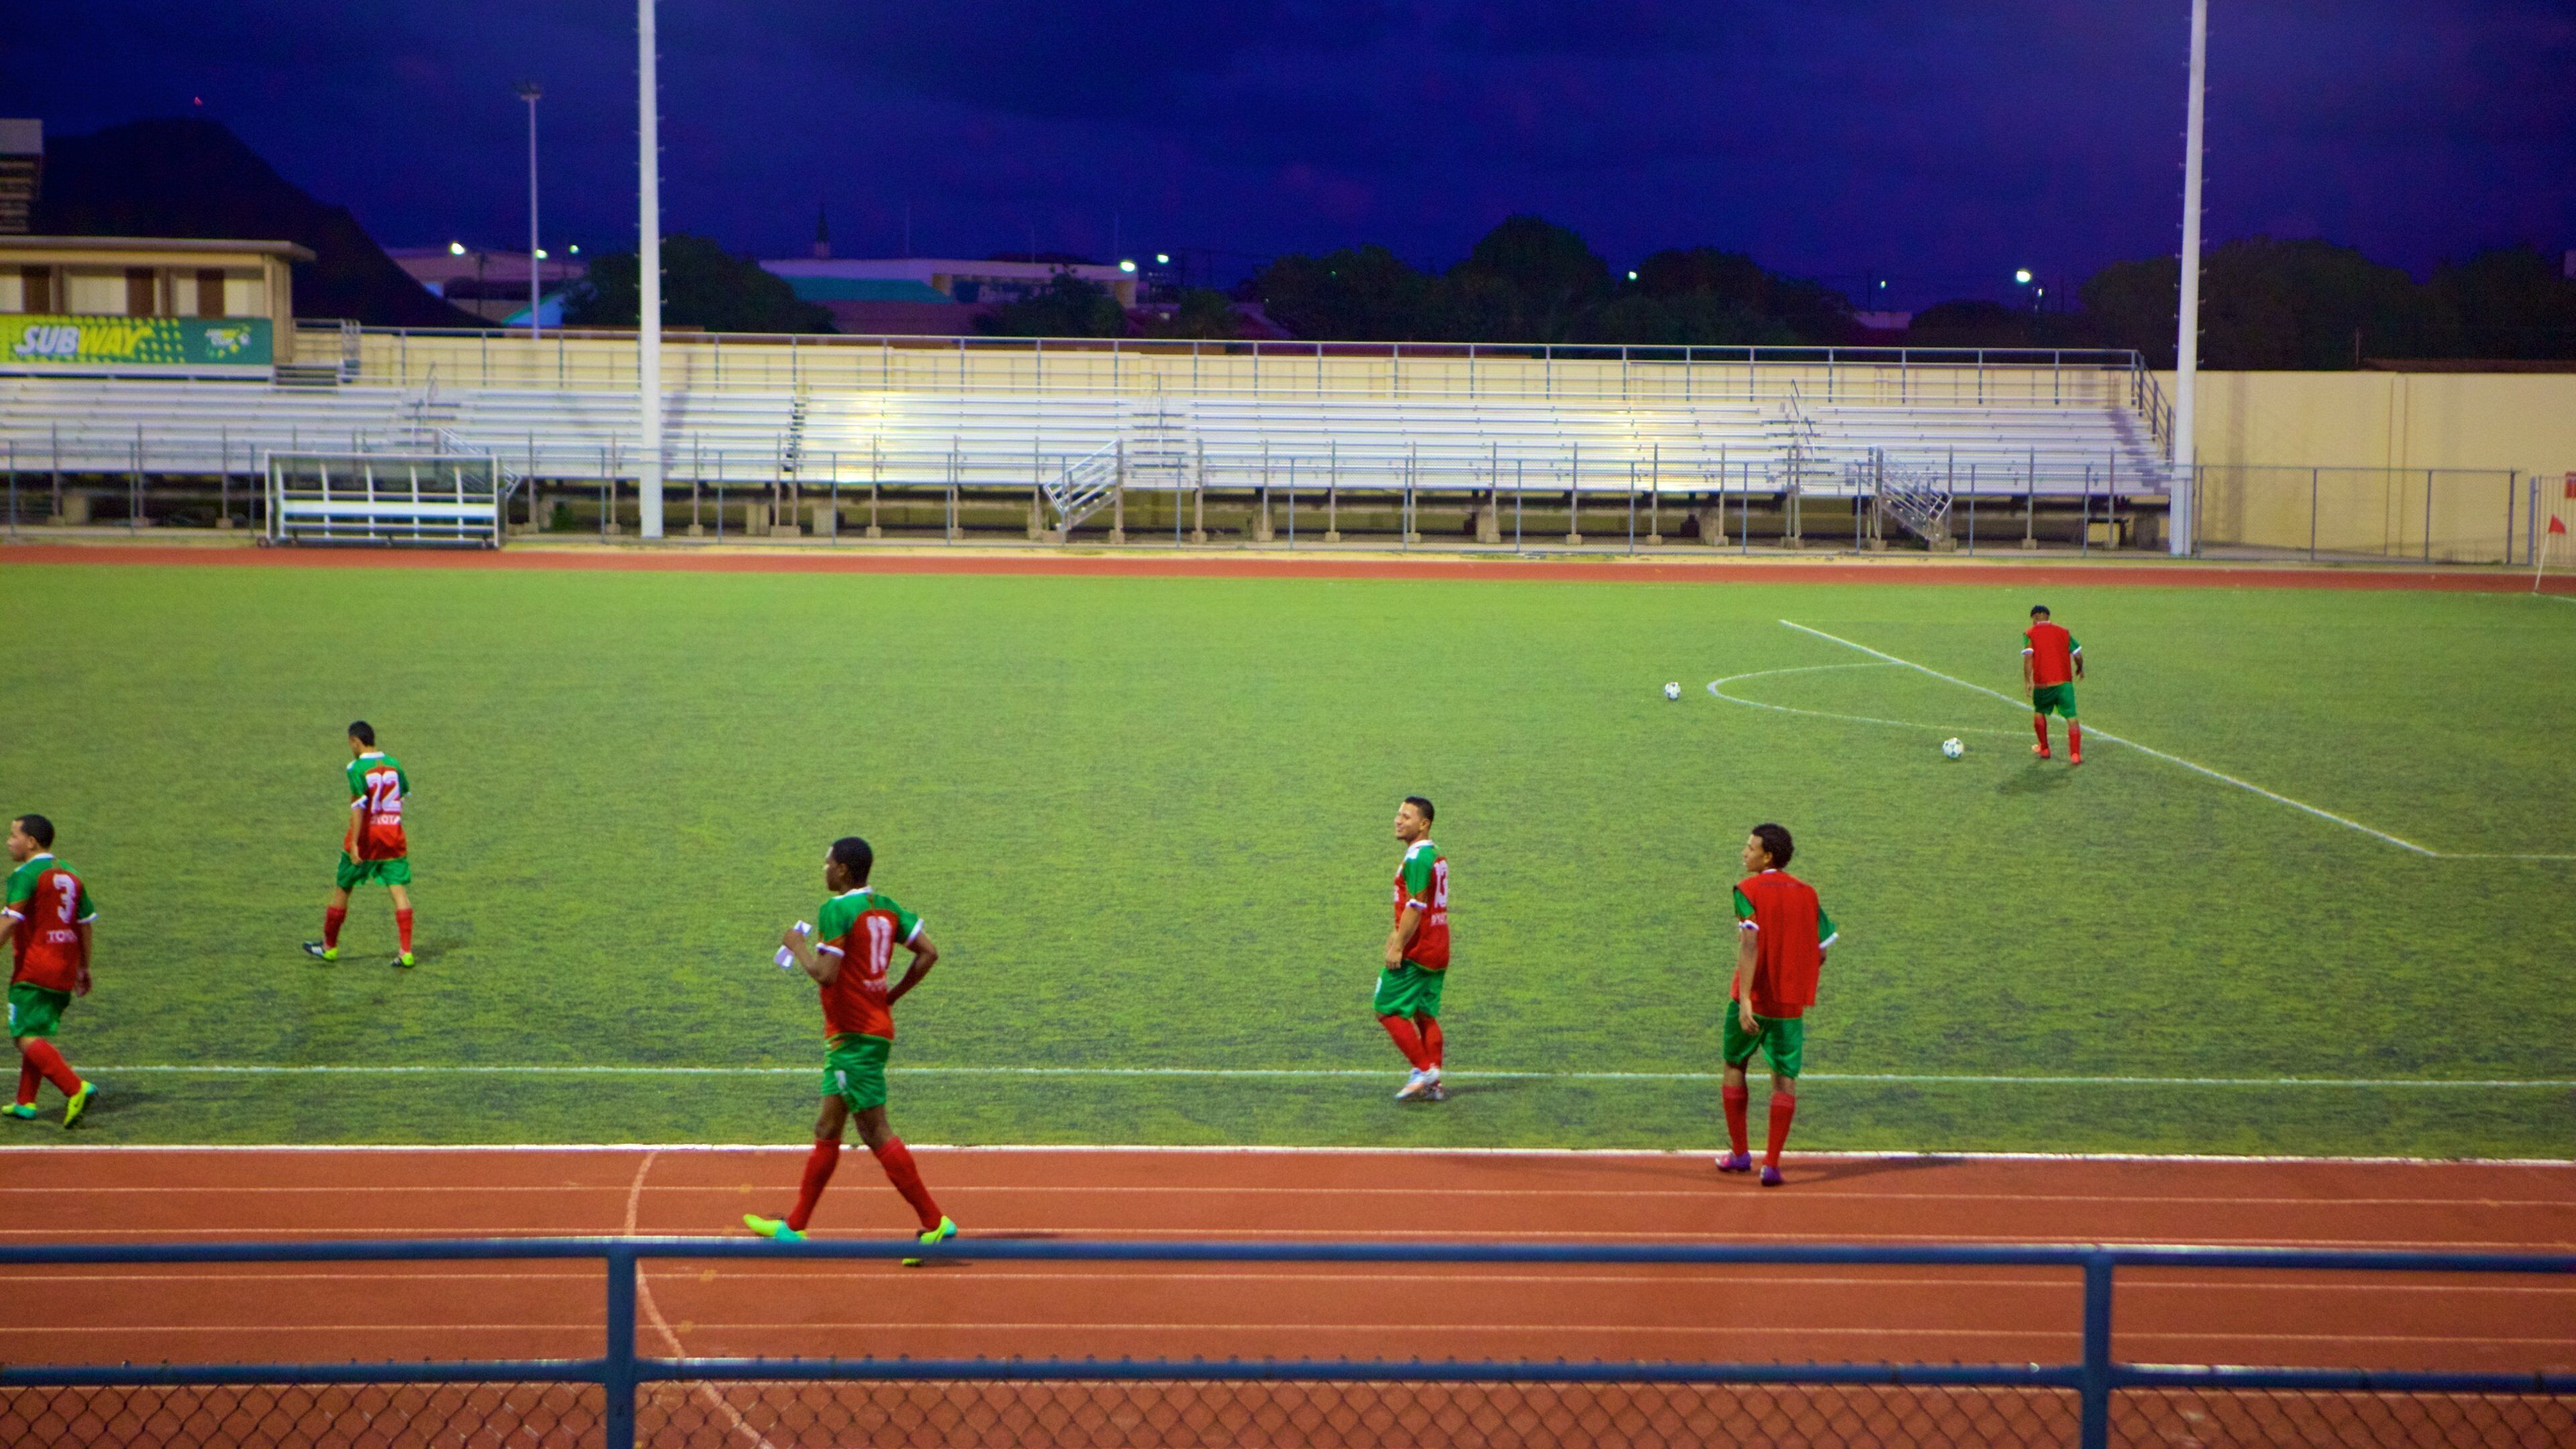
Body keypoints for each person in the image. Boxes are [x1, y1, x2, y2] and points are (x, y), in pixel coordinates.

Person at [745, 835, 959, 1261]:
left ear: (843, 870)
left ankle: (936, 1224)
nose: (824, 869)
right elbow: (928, 953)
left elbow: (826, 975)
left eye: (827, 863)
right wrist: (891, 995)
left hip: (854, 1038)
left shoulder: (836, 910)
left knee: (874, 1131)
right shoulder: (886, 906)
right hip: (858, 1034)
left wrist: (796, 945)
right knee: (827, 1129)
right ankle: (795, 1227)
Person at [1717, 823, 1837, 1188]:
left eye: (1750, 847)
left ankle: (1740, 1154)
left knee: (1735, 1063)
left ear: (1767, 855)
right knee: (1784, 1079)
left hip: (1751, 998)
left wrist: (1748, 1000)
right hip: (1789, 1005)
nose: (1744, 852)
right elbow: (1822, 948)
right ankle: (1771, 1164)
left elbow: (1749, 945)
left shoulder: (1746, 890)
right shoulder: (1807, 893)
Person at [3, 814, 98, 1128]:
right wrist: (84, 967)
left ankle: (75, 1088)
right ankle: (25, 1103)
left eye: (13, 835)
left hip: (34, 967)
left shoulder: (25, 874)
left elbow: (11, 920)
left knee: (24, 1036)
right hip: (64, 967)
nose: (9, 842)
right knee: (36, 1027)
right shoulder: (71, 873)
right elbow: (85, 924)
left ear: (31, 842)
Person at [304, 722, 417, 967]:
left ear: (356, 741)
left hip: (367, 838)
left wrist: (355, 843)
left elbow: (359, 807)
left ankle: (329, 947)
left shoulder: (356, 768)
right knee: (398, 890)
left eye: (350, 744)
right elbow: (403, 795)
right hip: (393, 835)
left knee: (343, 887)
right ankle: (406, 952)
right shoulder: (395, 764)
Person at [1376, 796, 1451, 1104]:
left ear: (1424, 824)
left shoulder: (1418, 858)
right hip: (1439, 947)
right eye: (1398, 814)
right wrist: (1395, 933)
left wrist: (1398, 947)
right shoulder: (1435, 856)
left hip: (1418, 951)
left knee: (1386, 1009)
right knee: (1424, 1014)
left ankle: (1423, 1072)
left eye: (1406, 817)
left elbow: (1416, 905)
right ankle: (1435, 1084)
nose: (1398, 820)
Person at [2023, 605, 2084, 765]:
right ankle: (2075, 755)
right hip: (2064, 683)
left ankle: (2044, 749)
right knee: (2072, 718)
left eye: (2033, 618)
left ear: (2037, 616)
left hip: (2044, 684)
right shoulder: (2063, 632)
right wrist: (2080, 668)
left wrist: (2028, 680)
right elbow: (2077, 654)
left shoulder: (2030, 633)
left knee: (2039, 713)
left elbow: (2029, 658)